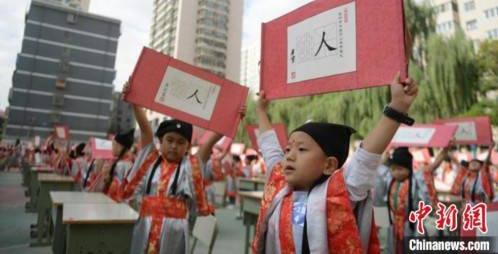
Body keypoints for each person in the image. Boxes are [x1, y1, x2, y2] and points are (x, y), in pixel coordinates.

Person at [252, 72, 418, 254]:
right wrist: (260, 111)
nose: (290, 156)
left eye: (301, 149)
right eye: (288, 149)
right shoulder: (279, 183)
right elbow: (270, 148)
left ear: (329, 165)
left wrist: (397, 108)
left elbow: (365, 159)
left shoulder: (337, 194)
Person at [121, 81, 240, 254]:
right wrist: (134, 100)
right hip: (145, 225)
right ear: (160, 142)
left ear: (187, 147)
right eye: (169, 140)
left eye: (180, 142)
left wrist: (233, 115)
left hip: (174, 230)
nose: (174, 146)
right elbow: (146, 129)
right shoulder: (150, 158)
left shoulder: (191, 165)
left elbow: (211, 141)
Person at [375, 143, 451, 253]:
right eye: (393, 169)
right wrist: (383, 158)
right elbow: (377, 173)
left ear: (409, 169)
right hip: (393, 223)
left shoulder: (416, 180)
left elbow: (431, 168)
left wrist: (444, 152)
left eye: (400, 169)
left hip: (411, 224)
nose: (396, 172)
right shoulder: (389, 180)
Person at [103, 129, 135, 201]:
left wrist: (107, 177)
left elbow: (117, 189)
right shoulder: (127, 162)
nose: (112, 148)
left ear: (120, 146)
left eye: (113, 144)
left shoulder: (122, 164)